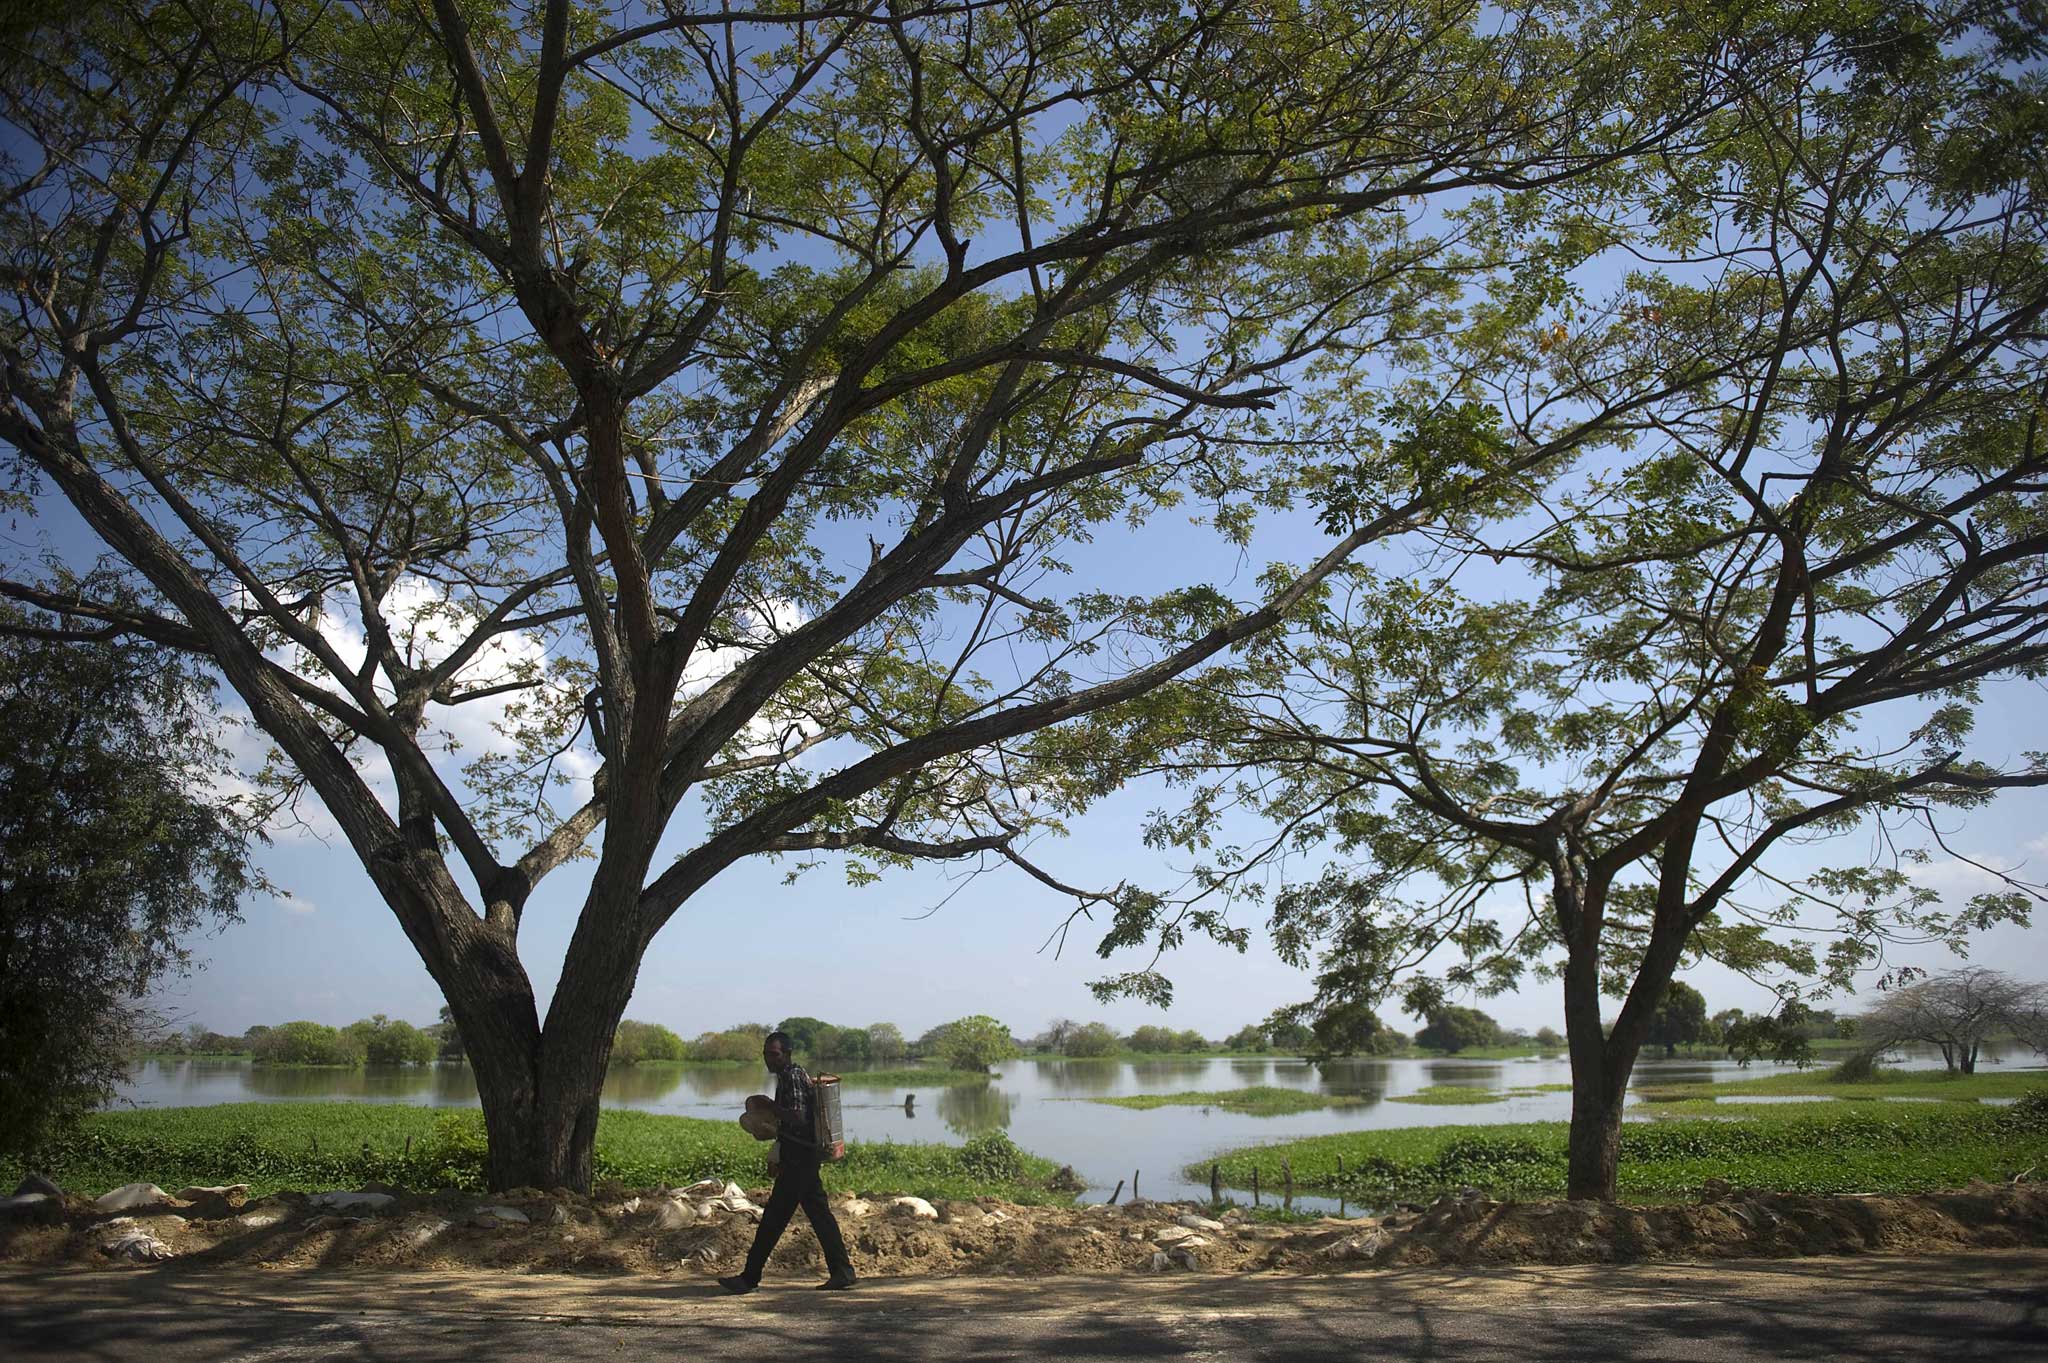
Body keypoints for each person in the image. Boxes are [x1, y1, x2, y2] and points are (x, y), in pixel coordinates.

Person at [719, 1031, 857, 1293]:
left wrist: (770, 1106)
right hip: (798, 1157)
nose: (769, 1059)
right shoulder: (790, 1075)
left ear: (787, 1054)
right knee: (814, 1216)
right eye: (766, 1054)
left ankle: (749, 1278)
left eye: (774, 1054)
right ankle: (842, 1271)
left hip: (800, 1160)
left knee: (776, 1219)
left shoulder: (792, 1077)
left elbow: (798, 1117)